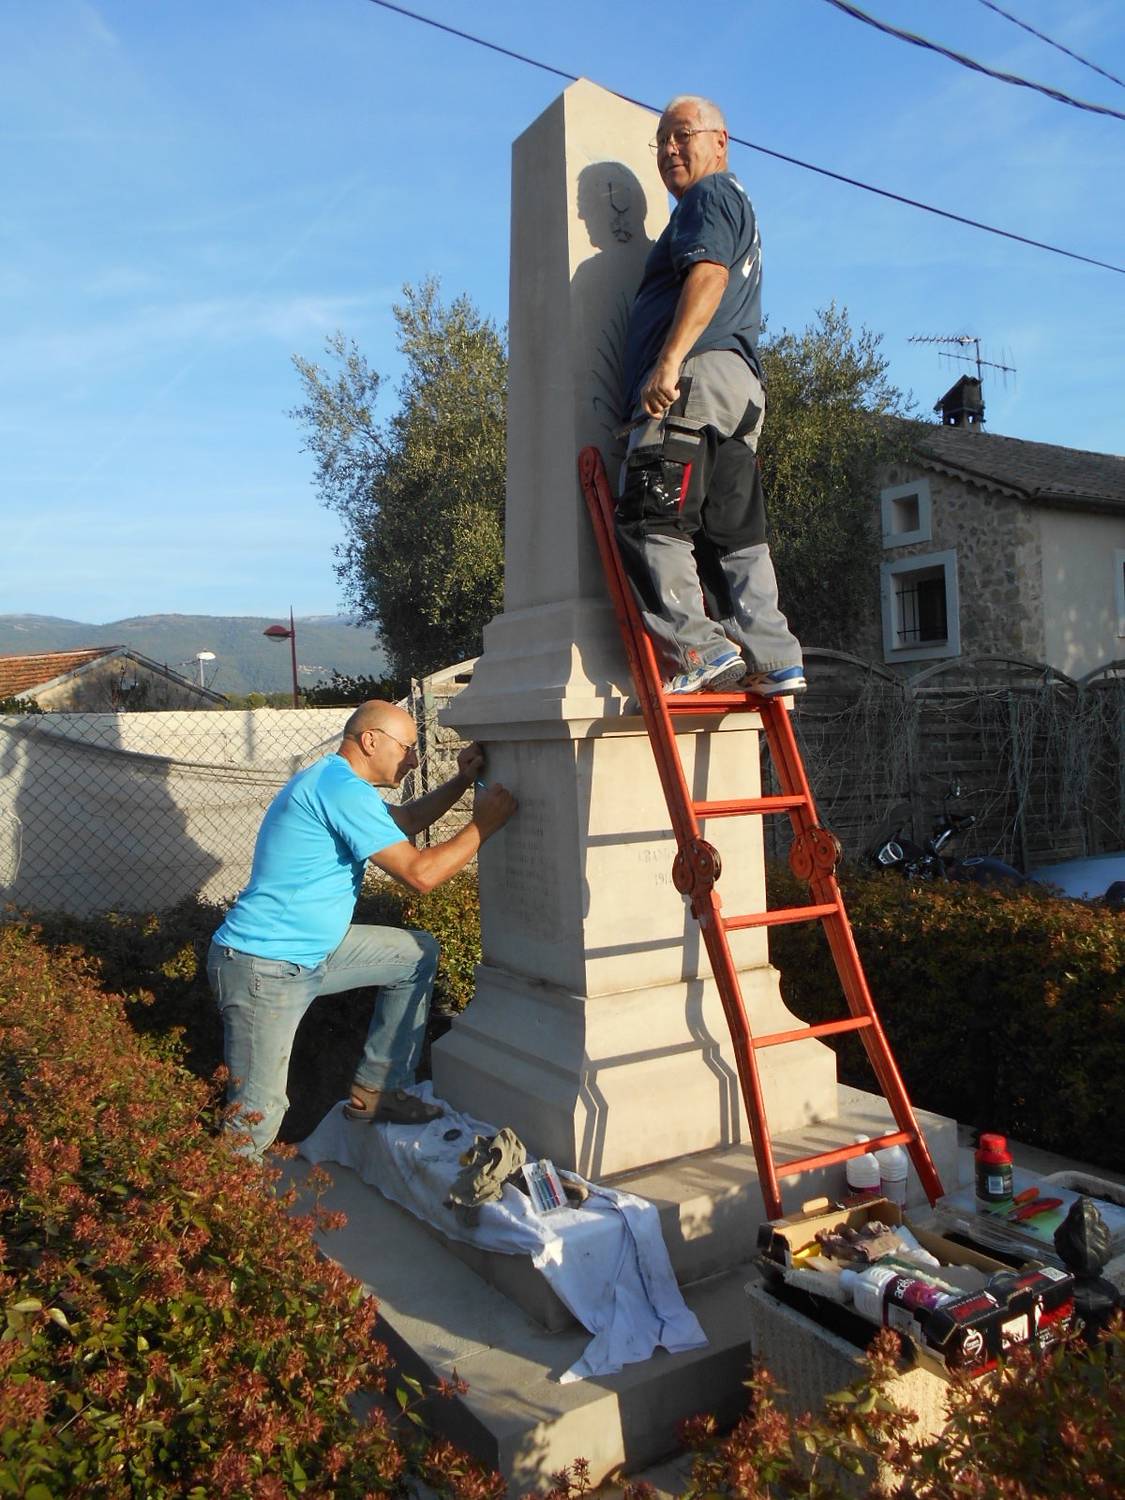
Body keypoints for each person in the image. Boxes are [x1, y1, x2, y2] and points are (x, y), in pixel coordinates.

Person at [206, 699, 517, 1158]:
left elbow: (407, 822)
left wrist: (462, 781)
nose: (414, 759)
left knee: (414, 955)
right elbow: (420, 875)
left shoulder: (341, 785)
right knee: (257, 1111)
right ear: (370, 741)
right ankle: (228, 1215)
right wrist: (482, 825)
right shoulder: (339, 790)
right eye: (408, 748)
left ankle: (380, 1095)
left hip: (312, 953)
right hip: (264, 967)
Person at [616, 95, 805, 697]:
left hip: (693, 383)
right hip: (737, 393)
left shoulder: (709, 197)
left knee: (653, 519)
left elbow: (710, 274)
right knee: (734, 533)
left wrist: (667, 363)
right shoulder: (736, 203)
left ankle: (701, 650)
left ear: (719, 141)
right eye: (662, 140)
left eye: (682, 135)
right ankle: (774, 657)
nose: (670, 148)